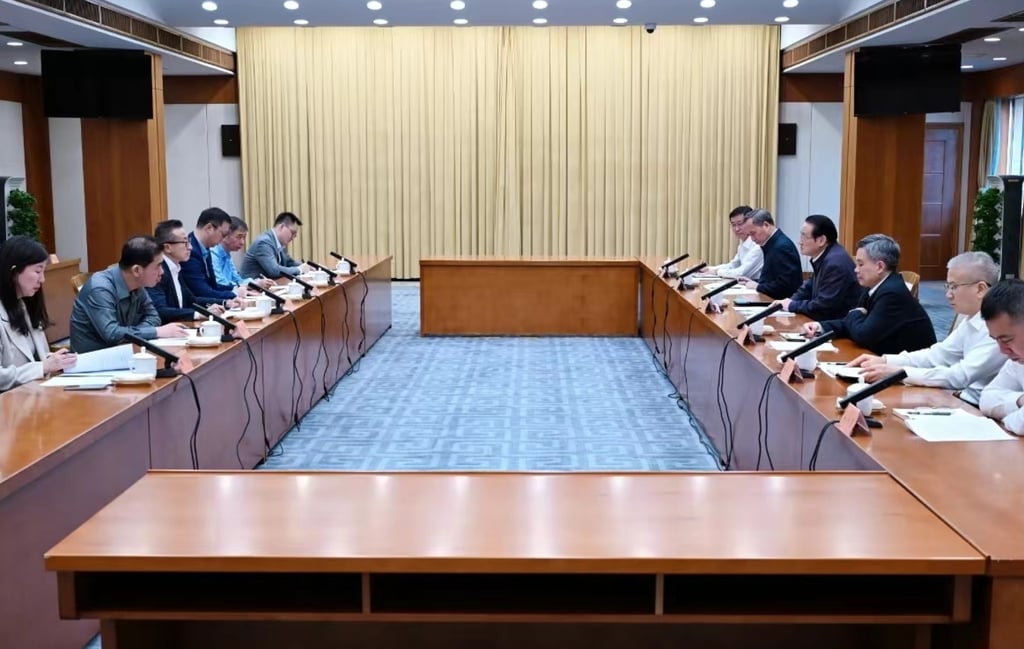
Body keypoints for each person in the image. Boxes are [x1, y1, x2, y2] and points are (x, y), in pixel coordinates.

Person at [849, 251, 1003, 406]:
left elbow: (959, 376)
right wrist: (885, 360)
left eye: (954, 287)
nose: (948, 295)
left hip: (981, 410)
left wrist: (900, 373)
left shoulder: (998, 327)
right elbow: (937, 355)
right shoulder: (972, 318)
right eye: (947, 286)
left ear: (980, 289)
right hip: (960, 397)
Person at [801, 234, 935, 355]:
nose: (856, 270)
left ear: (880, 267)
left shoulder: (892, 293)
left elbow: (863, 335)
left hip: (909, 370)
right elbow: (852, 324)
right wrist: (820, 326)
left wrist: (854, 313)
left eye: (860, 264)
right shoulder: (874, 286)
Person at [70, 237, 188, 353]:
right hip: (94, 361)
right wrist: (156, 332)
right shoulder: (100, 288)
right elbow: (112, 334)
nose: (162, 271)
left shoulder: (137, 283)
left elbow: (154, 317)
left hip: (125, 351)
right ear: (137, 270)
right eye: (158, 265)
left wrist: (136, 333)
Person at [0, 236, 77, 391]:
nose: (42, 280)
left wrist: (57, 361)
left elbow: (36, 357)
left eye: (43, 271)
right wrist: (43, 367)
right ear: (14, 271)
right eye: (37, 271)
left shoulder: (24, 304)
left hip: (33, 395)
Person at [148, 220, 235, 323]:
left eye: (188, 241)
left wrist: (225, 302)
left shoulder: (176, 267)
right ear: (167, 247)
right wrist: (199, 314)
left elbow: (191, 300)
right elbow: (161, 311)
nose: (190, 247)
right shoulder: (158, 271)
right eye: (184, 243)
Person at [774, 214, 860, 320]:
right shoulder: (826, 256)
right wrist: (789, 302)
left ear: (821, 240)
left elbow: (822, 306)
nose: (800, 242)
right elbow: (808, 287)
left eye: (804, 236)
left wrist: (792, 305)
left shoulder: (835, 263)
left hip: (837, 328)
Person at [979, 280, 1024, 434]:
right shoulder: (1018, 360)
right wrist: (1020, 401)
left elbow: (1020, 425)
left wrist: (1008, 420)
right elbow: (986, 399)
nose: (1003, 350)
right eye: (996, 340)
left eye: (1006, 340)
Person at [739, 209, 802, 299]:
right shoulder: (772, 243)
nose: (752, 239)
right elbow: (773, 279)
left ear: (766, 225)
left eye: (753, 233)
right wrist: (755, 282)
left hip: (782, 305)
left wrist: (758, 286)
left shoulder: (781, 247)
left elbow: (785, 285)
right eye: (749, 235)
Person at [180, 207, 238, 304]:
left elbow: (213, 286)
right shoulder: (190, 252)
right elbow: (202, 292)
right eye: (223, 235)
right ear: (209, 228)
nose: (222, 240)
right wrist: (234, 294)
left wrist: (235, 288)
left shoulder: (204, 247)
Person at [240, 212, 310, 280]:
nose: (294, 237)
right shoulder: (264, 243)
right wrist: (299, 269)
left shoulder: (279, 242)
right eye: (293, 233)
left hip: (270, 285)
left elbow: (289, 262)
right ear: (282, 227)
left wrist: (306, 266)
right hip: (253, 288)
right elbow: (274, 271)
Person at [210, 216, 273, 290]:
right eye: (239, 237)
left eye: (244, 237)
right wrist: (253, 285)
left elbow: (237, 280)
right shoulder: (212, 254)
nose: (242, 242)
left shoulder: (227, 255)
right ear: (225, 235)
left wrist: (255, 282)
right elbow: (221, 284)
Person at [711, 205, 761, 280]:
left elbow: (741, 273)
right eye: (733, 225)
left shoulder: (758, 245)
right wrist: (711, 269)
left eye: (740, 224)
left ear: (751, 222)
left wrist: (717, 271)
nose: (736, 229)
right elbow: (734, 265)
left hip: (759, 288)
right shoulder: (743, 242)